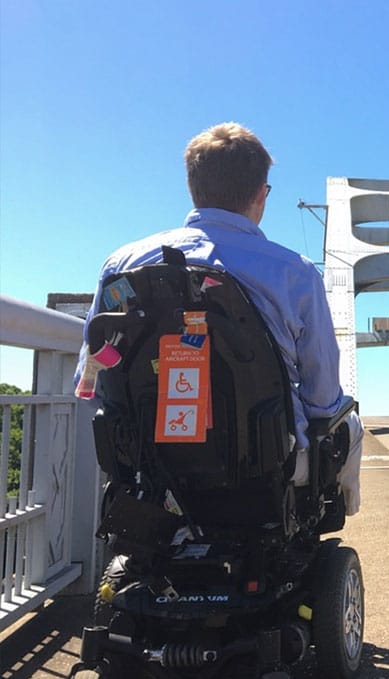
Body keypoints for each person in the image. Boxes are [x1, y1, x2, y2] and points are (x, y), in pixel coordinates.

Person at [75, 122, 363, 514]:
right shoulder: (293, 272)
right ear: (261, 194)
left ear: (193, 187)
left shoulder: (122, 265)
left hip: (148, 461)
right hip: (262, 463)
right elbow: (322, 399)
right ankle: (326, 526)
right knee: (350, 425)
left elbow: (88, 381)